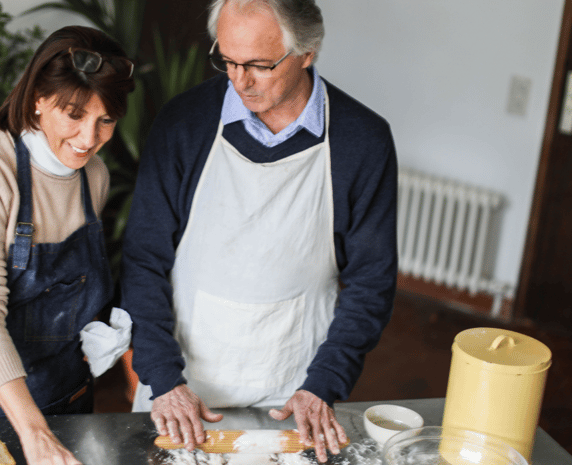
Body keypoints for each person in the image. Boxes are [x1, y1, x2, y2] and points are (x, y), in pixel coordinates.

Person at [120, 0, 398, 462]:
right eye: (227, 60)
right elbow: (144, 258)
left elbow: (372, 281)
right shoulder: (183, 123)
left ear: (307, 52)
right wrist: (164, 381)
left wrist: (323, 386)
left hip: (296, 389)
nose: (239, 81)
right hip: (183, 386)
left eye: (259, 65)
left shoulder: (361, 140)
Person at [0, 26, 134, 465]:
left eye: (105, 119)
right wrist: (33, 431)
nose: (88, 139)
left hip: (64, 389)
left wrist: (102, 331)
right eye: (73, 114)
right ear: (37, 98)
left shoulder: (95, 178)